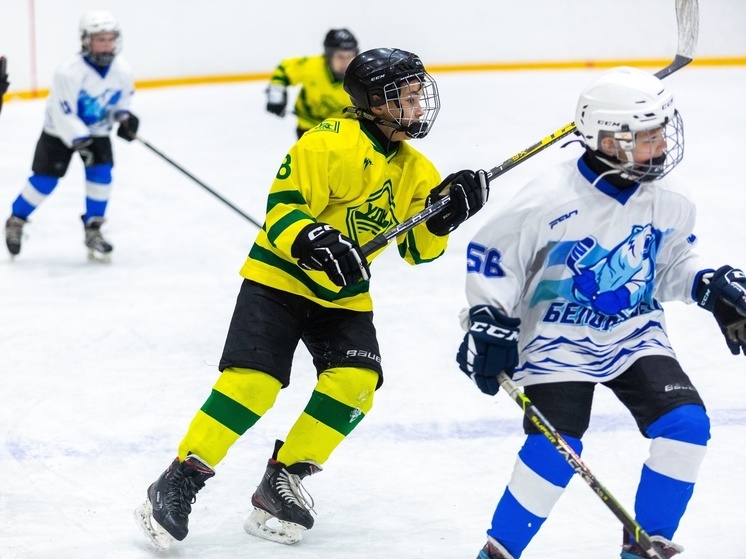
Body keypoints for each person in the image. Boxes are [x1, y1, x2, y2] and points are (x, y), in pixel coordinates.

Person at [134, 47, 489, 551]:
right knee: (254, 384)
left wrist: (442, 218)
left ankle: (281, 480)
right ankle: (180, 477)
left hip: (344, 294)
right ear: (376, 103)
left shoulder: (418, 169)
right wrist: (313, 239)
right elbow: (283, 211)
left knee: (357, 383)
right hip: (279, 278)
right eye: (406, 96)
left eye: (418, 94)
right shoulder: (326, 142)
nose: (418, 104)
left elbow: (417, 251)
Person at [455, 66, 746, 559]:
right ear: (607, 139)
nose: (661, 145)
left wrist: (706, 286)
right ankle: (498, 552)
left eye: (661, 132)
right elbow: (494, 259)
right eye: (646, 136)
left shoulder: (669, 200)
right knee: (557, 447)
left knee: (687, 427)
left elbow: (670, 262)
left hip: (634, 333)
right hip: (553, 341)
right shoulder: (549, 198)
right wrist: (489, 319)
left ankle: (645, 546)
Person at [4, 10, 139, 262]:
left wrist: (125, 117)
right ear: (86, 40)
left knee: (101, 175)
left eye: (111, 39)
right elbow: (62, 111)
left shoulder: (122, 69)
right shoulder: (69, 71)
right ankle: (16, 220)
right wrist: (79, 139)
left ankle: (93, 229)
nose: (107, 44)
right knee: (45, 180)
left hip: (97, 131)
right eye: (101, 39)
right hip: (59, 132)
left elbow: (123, 99)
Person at [265, 28, 359, 139]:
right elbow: (283, 71)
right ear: (328, 56)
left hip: (344, 131)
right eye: (340, 56)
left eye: (349, 56)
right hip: (309, 129)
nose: (345, 62)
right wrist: (277, 94)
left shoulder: (360, 76)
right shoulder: (310, 66)